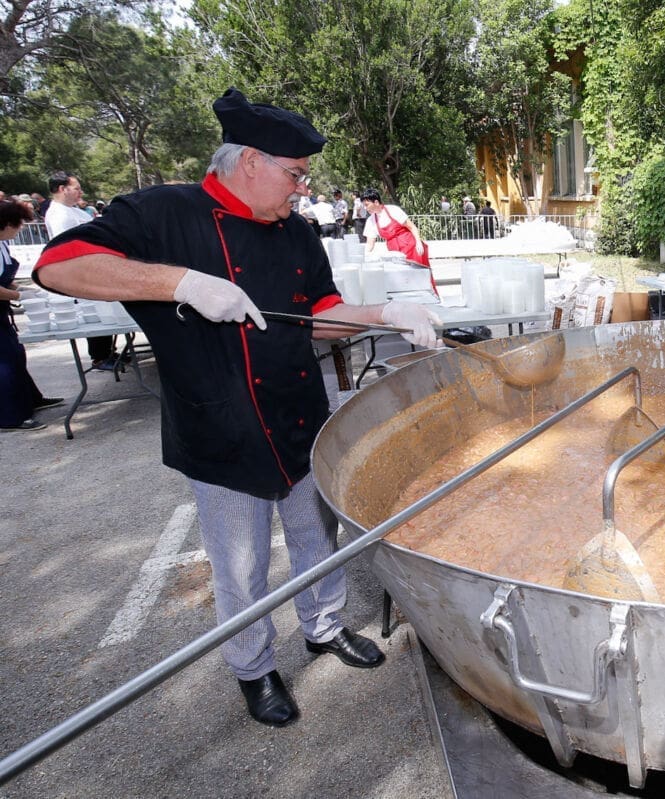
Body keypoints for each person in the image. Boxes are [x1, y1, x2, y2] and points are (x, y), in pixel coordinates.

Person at [35, 87, 441, 728]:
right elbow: (59, 266)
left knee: (317, 538)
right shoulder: (165, 211)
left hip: (303, 411)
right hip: (220, 426)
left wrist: (384, 315)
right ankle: (254, 668)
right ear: (251, 161)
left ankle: (323, 626)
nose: (303, 190)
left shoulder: (298, 232)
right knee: (242, 562)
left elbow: (319, 320)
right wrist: (181, 282)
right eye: (296, 174)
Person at [45, 171, 118, 370]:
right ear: (62, 189)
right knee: (93, 312)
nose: (80, 192)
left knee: (103, 309)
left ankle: (108, 351)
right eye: (76, 188)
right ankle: (100, 356)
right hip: (80, 270)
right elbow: (67, 247)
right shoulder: (59, 215)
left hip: (94, 266)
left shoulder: (74, 211)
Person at [1, 200, 63, 431]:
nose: (20, 229)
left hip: (3, 311)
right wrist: (17, 295)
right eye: (18, 224)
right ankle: (10, 416)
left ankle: (30, 400)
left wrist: (19, 288)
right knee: (4, 362)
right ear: (7, 224)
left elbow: (4, 277)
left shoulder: (3, 245)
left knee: (16, 354)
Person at [361, 189, 436, 291]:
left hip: (412, 247)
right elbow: (370, 244)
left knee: (420, 279)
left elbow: (411, 227)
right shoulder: (371, 221)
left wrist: (418, 242)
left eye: (367, 205)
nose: (366, 208)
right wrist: (364, 257)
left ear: (376, 202)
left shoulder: (393, 210)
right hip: (395, 253)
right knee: (403, 281)